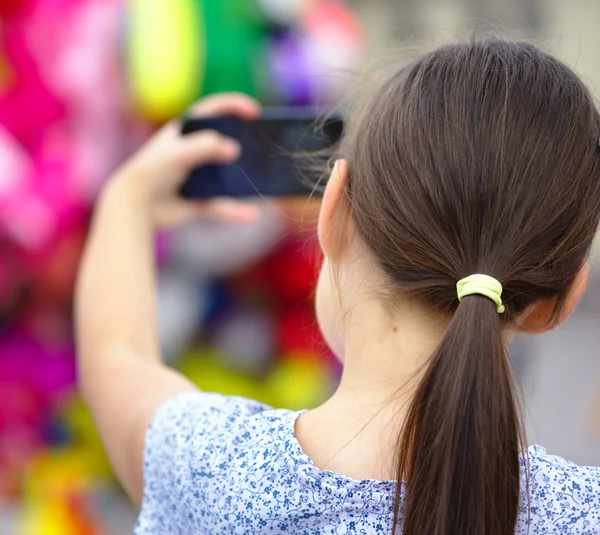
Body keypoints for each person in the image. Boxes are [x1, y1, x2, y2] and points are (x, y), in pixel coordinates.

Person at [75, 39, 600, 535]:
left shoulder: (213, 469)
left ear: (335, 212)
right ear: (561, 301)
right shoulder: (582, 512)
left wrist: (129, 197)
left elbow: (116, 355)